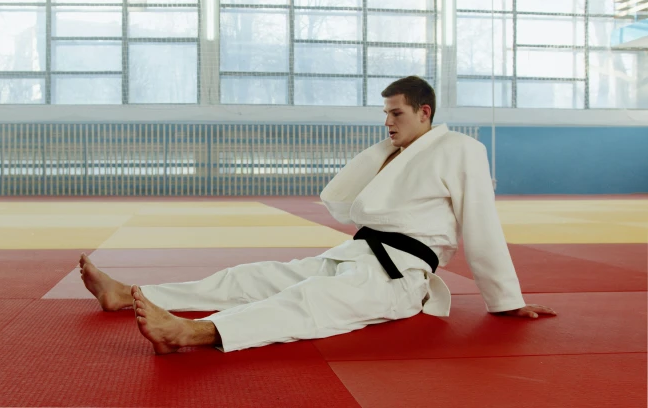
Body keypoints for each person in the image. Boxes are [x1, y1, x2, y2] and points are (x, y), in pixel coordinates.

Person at [78, 75, 557, 355]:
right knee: (250, 277)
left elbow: (481, 224)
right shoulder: (391, 152)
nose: (387, 122)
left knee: (309, 302)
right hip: (357, 253)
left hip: (399, 276)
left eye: (397, 114)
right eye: (386, 114)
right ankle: (129, 294)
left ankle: (194, 333)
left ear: (424, 111)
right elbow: (351, 204)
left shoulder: (462, 149)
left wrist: (505, 299)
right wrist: (383, 152)